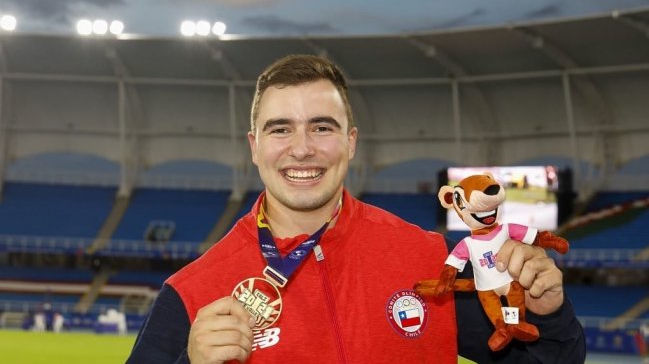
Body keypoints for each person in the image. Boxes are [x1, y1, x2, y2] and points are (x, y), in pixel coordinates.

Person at [126, 55, 585, 364]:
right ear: (255, 146)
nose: (301, 149)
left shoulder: (430, 262)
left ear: (350, 142)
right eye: (280, 129)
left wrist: (547, 315)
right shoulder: (192, 293)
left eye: (321, 127)